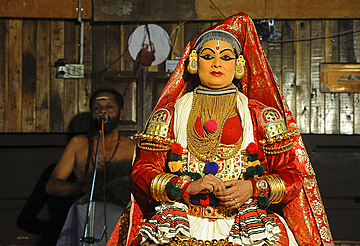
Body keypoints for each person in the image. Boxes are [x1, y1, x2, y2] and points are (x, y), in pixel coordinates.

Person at [106, 13, 334, 246]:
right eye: (208, 56)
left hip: (249, 226)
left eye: (226, 57)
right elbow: (142, 172)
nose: (217, 64)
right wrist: (186, 186)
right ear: (194, 62)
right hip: (178, 223)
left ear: (238, 66)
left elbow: (293, 176)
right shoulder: (169, 114)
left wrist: (252, 187)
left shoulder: (262, 116)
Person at [46, 88, 137, 246]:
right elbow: (52, 186)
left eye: (109, 107)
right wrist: (81, 188)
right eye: (97, 108)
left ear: (120, 114)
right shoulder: (78, 143)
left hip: (121, 219)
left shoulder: (133, 147)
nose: (102, 110)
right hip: (85, 217)